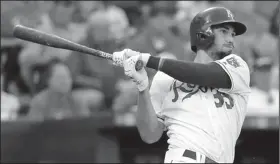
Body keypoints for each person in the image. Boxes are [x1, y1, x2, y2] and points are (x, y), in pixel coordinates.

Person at [112, 7, 251, 163]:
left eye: (232, 34)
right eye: (224, 32)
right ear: (203, 34)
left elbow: (203, 74)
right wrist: (142, 87)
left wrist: (149, 60)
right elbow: (150, 135)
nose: (231, 39)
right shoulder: (165, 77)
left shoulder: (237, 67)